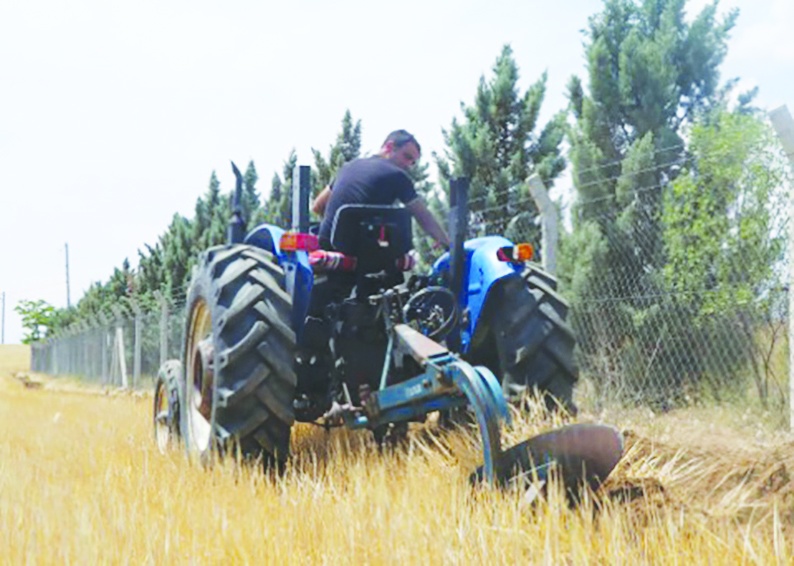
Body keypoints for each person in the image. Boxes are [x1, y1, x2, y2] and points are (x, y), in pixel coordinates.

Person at [312, 129, 450, 250]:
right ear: (389, 147)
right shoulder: (397, 175)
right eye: (407, 157)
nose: (409, 165)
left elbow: (317, 206)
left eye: (413, 162)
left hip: (327, 245)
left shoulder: (348, 166)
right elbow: (423, 216)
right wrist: (447, 244)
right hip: (363, 252)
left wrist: (340, 228)